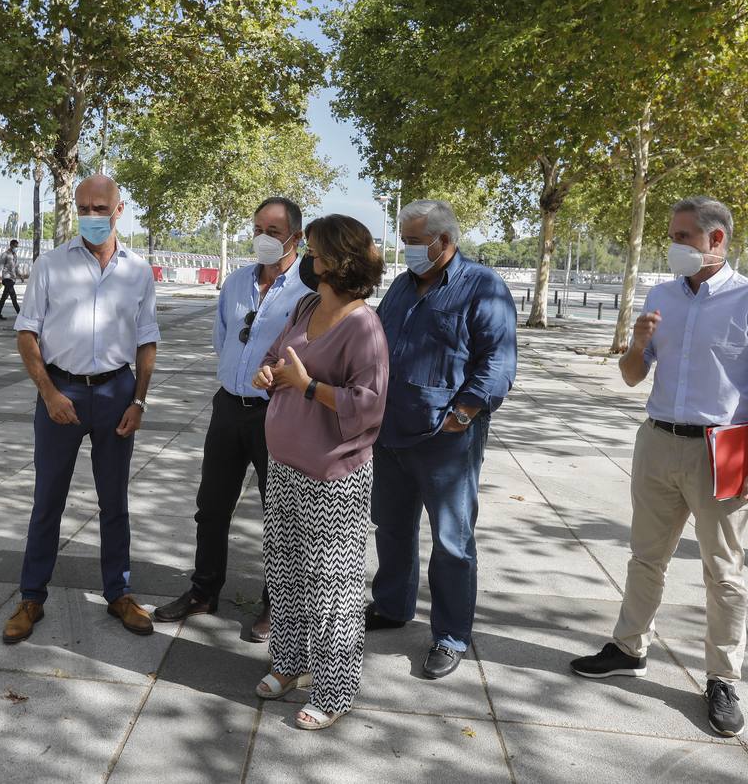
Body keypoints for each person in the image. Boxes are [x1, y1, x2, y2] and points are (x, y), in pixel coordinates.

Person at [570, 196, 748, 739]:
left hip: (721, 450)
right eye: (671, 235)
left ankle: (722, 679)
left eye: (683, 237)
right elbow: (630, 376)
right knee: (645, 557)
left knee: (724, 572)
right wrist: (638, 343)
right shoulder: (662, 295)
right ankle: (628, 647)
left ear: (716, 240)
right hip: (657, 441)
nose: (673, 247)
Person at [2, 175, 160, 642]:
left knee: (115, 502)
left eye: (100, 207)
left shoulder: (139, 271)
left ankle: (120, 593)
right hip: (61, 394)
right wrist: (49, 394)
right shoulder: (50, 265)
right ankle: (32, 596)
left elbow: (147, 340)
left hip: (116, 395)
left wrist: (139, 400)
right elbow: (26, 334)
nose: (92, 215)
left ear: (119, 209)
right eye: (84, 207)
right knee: (47, 499)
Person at [366, 199, 517, 680]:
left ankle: (451, 635)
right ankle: (392, 607)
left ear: (444, 241)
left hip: (446, 439)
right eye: (405, 240)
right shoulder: (401, 287)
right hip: (391, 433)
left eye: (413, 242)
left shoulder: (483, 286)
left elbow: (498, 360)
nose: (406, 250)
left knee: (452, 541)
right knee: (390, 529)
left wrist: (465, 411)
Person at [251, 214, 388, 731]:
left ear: (337, 262)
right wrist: (270, 372)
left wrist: (308, 386)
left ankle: (335, 689)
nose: (308, 261)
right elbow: (276, 356)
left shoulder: (363, 325)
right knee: (284, 570)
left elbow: (369, 405)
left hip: (333, 476)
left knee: (333, 582)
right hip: (285, 463)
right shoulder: (307, 304)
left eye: (314, 254)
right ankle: (289, 663)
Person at [155, 197, 311, 641]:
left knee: (279, 514)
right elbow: (223, 338)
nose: (263, 238)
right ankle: (203, 590)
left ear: (296, 238)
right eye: (258, 228)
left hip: (277, 414)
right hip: (228, 406)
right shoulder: (237, 280)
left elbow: (310, 357)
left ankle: (274, 606)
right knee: (212, 505)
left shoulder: (309, 292)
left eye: (274, 231)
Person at [0, 239, 25, 320]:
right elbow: (0, 266)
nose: (16, 248)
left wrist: (20, 275)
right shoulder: (5, 254)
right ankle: (20, 314)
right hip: (6, 277)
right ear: (11, 245)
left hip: (12, 278)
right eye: (15, 246)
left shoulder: (15, 255)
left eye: (17, 246)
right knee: (13, 296)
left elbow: (15, 267)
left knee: (4, 297)